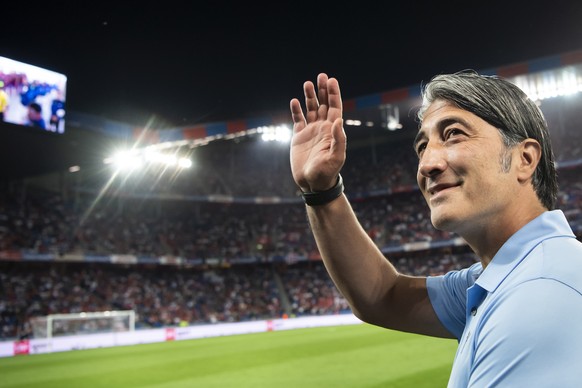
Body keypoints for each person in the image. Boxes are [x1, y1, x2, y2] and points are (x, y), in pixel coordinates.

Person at [289, 71, 582, 387]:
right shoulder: (511, 275)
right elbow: (383, 296)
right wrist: (322, 191)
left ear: (524, 159)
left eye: (454, 134)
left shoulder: (537, 294)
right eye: (422, 147)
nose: (427, 164)